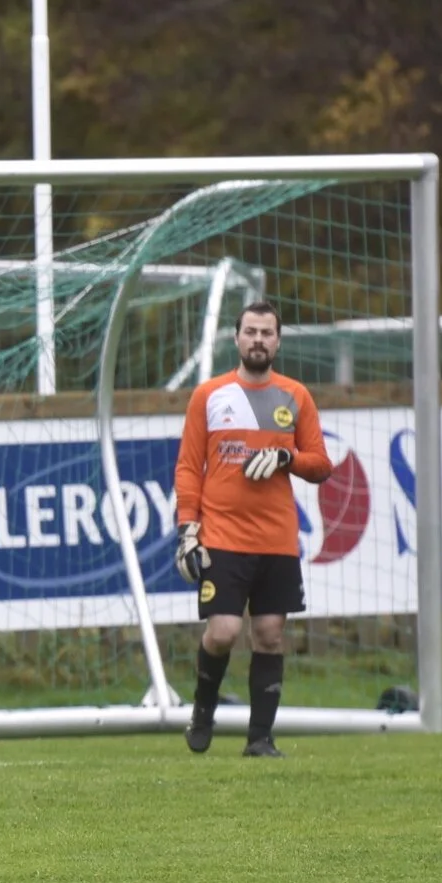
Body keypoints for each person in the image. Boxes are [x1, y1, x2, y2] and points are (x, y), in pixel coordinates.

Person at [172, 301, 334, 758]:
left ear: (278, 341)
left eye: (266, 333)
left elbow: (321, 464)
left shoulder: (295, 396)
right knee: (223, 631)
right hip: (222, 536)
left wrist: (287, 457)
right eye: (250, 332)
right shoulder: (209, 395)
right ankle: (203, 711)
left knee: (269, 633)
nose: (258, 340)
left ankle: (260, 739)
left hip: (277, 539)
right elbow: (188, 467)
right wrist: (188, 529)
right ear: (236, 338)